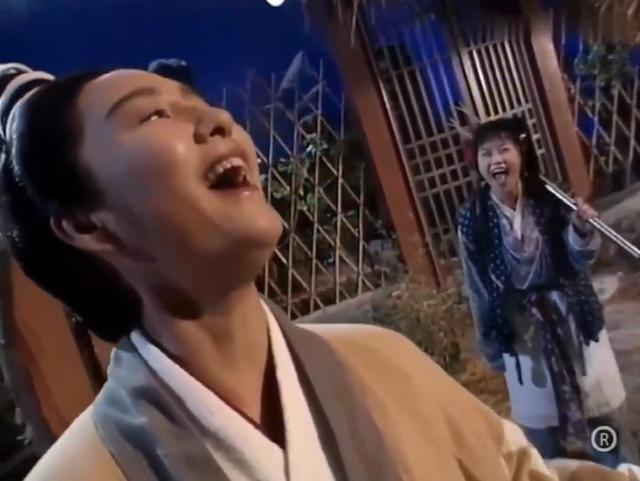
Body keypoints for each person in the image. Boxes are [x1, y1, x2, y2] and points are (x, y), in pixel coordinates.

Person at [1, 64, 638, 481]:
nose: (220, 121)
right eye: (152, 115)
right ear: (87, 226)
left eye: (200, 103)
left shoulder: (384, 363)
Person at [457, 116, 637, 468]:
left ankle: (623, 472)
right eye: (486, 153)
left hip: (573, 320)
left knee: (604, 425)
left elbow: (579, 259)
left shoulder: (550, 198)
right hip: (523, 333)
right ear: (477, 163)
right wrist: (491, 343)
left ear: (521, 154)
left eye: (504, 150)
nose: (496, 160)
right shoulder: (473, 217)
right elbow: (477, 285)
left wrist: (580, 230)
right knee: (544, 443)